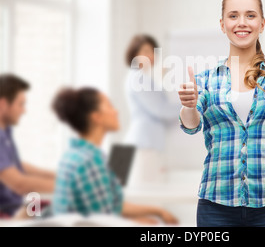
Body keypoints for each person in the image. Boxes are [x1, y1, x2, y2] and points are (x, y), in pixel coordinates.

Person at [178, 0, 265, 227]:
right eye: (233, 16)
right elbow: (191, 125)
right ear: (222, 25)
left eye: (250, 15)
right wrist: (188, 105)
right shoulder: (205, 81)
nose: (242, 22)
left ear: (262, 24)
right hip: (216, 206)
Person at [51, 86, 178, 224]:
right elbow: (103, 221)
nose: (116, 111)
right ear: (96, 117)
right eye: (109, 106)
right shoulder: (90, 161)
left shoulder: (75, 155)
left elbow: (112, 206)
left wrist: (157, 211)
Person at [124, 34, 180, 185]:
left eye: (153, 51)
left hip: (145, 144)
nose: (150, 55)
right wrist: (191, 105)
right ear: (134, 53)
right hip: (144, 145)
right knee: (147, 197)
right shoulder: (138, 78)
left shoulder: (140, 77)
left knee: (146, 195)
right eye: (145, 51)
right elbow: (160, 110)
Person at [0, 74, 55, 218]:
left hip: (20, 204)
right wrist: (68, 186)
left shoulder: (5, 131)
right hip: (8, 212)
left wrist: (55, 175)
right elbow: (19, 184)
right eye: (21, 104)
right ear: (3, 104)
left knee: (59, 209)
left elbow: (14, 165)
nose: (24, 111)